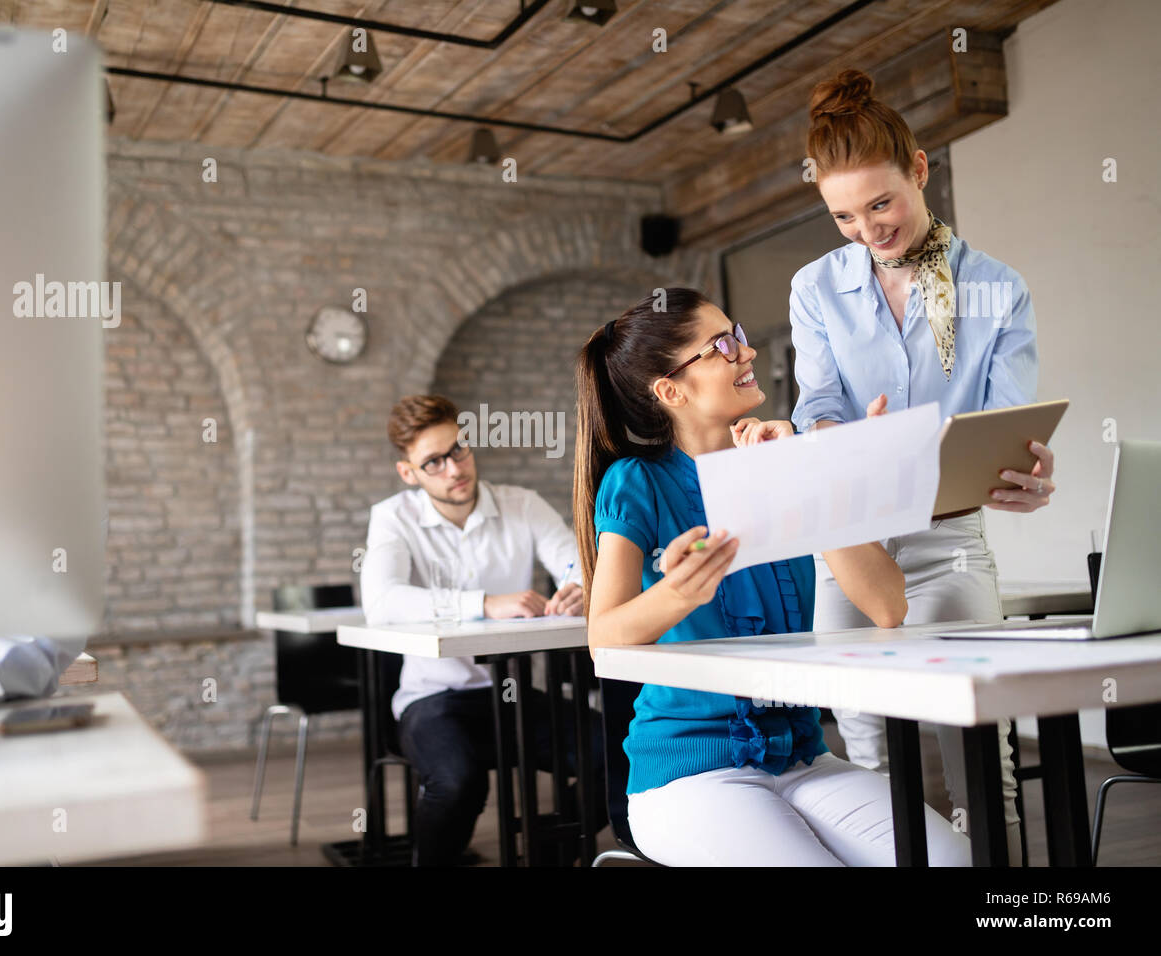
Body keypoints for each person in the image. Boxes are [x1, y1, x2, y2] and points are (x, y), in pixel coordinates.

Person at [573, 288, 970, 866]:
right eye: (721, 346)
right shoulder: (637, 481)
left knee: (952, 861)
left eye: (738, 334)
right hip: (689, 772)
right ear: (671, 390)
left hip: (804, 757)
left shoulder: (787, 457)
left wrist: (808, 477)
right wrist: (680, 591)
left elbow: (888, 606)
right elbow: (602, 637)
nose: (747, 351)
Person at [789, 68, 1057, 863]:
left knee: (978, 751)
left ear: (920, 168)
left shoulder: (996, 289)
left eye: (881, 203)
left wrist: (1023, 474)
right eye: (843, 215)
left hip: (949, 543)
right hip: (851, 547)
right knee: (868, 755)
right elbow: (816, 406)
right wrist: (845, 438)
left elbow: (1003, 426)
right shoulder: (815, 289)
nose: (868, 229)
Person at [359, 394, 605, 865]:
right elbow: (382, 602)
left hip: (510, 693)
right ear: (408, 473)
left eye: (459, 450)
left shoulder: (522, 504)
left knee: (619, 752)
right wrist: (483, 605)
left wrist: (580, 585)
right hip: (431, 701)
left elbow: (579, 563)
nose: (454, 468)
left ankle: (549, 854)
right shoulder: (393, 517)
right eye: (434, 462)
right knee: (459, 781)